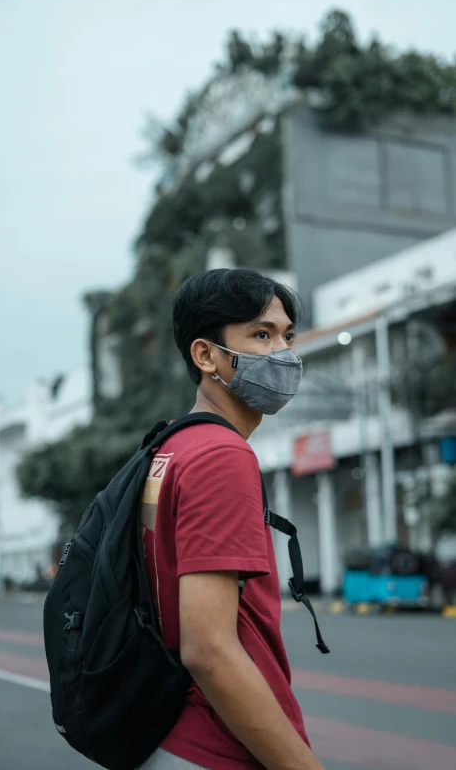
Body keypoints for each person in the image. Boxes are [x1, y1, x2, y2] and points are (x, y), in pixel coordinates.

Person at [139, 268, 325, 770]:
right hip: (218, 748)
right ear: (206, 355)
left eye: (287, 336)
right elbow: (210, 651)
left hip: (170, 733)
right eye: (261, 335)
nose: (283, 353)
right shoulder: (221, 455)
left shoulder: (172, 447)